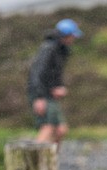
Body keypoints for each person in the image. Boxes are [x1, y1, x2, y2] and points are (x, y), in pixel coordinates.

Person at [27, 18, 83, 147]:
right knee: (48, 127)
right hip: (42, 94)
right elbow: (37, 73)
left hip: (50, 94)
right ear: (66, 35)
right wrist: (39, 98)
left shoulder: (61, 50)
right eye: (73, 36)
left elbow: (54, 74)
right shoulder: (48, 49)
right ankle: (36, 162)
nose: (74, 39)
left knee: (61, 130)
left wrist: (58, 87)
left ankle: (50, 162)